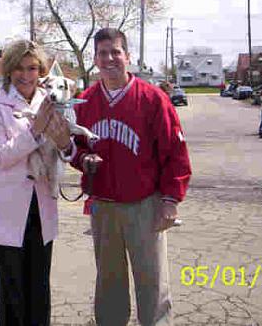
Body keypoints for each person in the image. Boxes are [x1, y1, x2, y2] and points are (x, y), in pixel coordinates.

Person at [70, 28, 192, 326]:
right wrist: (82, 159)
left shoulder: (153, 99)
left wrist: (171, 199)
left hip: (145, 204)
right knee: (109, 284)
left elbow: (175, 152)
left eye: (115, 52)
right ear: (95, 59)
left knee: (151, 282)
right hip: (103, 206)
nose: (109, 58)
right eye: (102, 53)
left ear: (128, 56)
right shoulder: (85, 102)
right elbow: (73, 149)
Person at [0, 39, 73, 326]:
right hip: (7, 209)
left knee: (39, 288)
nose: (26, 75)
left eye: (32, 68)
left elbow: (66, 150)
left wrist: (66, 145)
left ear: (40, 70)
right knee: (13, 293)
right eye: (19, 68)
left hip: (41, 207)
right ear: (8, 70)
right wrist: (34, 132)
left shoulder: (51, 100)